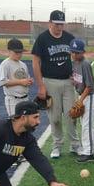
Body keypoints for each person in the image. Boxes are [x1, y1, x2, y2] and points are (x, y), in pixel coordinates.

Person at [31, 10, 79, 159]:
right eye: (57, 24)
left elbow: (78, 58)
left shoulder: (69, 38)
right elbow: (35, 62)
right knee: (55, 117)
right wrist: (41, 86)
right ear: (49, 23)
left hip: (68, 82)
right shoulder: (42, 39)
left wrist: (76, 76)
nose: (59, 27)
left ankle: (75, 145)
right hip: (50, 81)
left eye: (62, 24)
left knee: (72, 115)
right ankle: (57, 145)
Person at [70, 39, 94, 163]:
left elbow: (89, 87)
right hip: (81, 95)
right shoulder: (73, 63)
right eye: (72, 52)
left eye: (76, 52)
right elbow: (76, 79)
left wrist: (80, 100)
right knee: (86, 123)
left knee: (86, 125)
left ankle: (88, 152)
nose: (74, 54)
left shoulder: (85, 64)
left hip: (89, 96)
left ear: (82, 52)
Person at [0, 38, 33, 116]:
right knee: (15, 124)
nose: (19, 55)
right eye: (16, 53)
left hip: (25, 98)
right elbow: (2, 82)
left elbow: (25, 79)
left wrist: (28, 81)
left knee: (25, 124)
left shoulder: (23, 64)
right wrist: (21, 82)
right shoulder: (5, 64)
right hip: (13, 100)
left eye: (20, 52)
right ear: (9, 51)